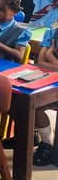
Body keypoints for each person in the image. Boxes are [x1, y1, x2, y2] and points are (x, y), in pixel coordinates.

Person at [33, 28, 58, 166]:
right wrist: (48, 58)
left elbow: (45, 58)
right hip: (50, 80)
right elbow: (40, 61)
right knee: (32, 104)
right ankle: (46, 143)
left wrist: (49, 53)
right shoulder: (51, 32)